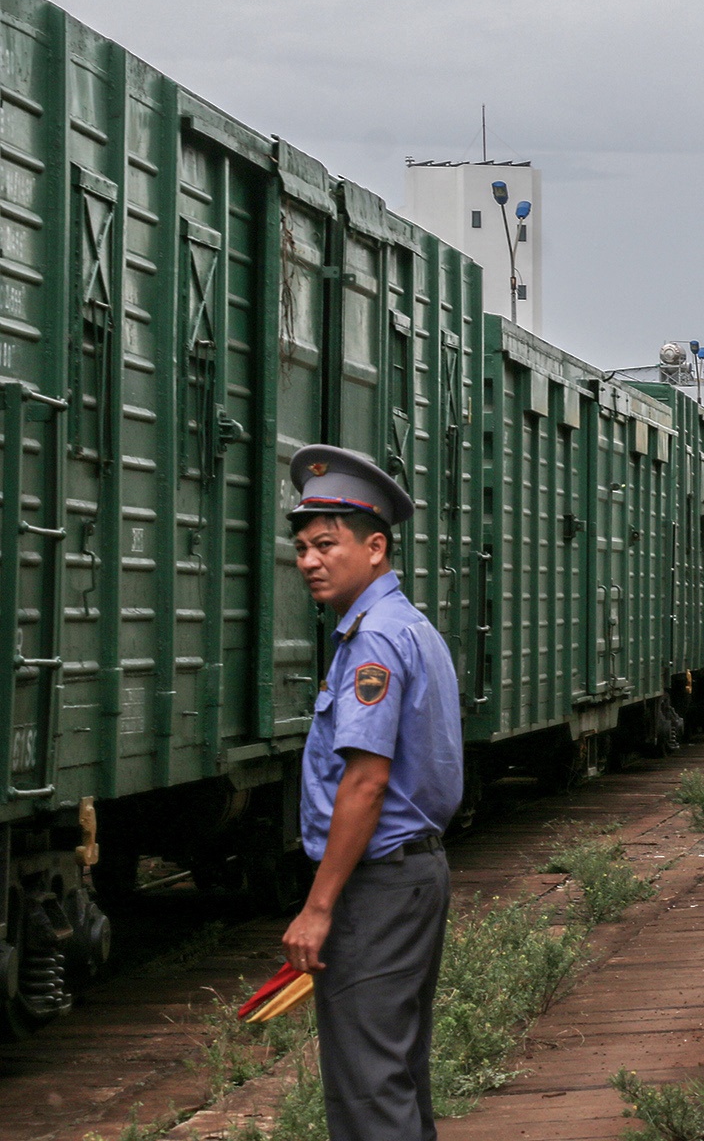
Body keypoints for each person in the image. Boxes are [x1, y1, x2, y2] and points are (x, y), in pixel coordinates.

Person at [281, 445, 463, 1141]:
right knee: (395, 1076)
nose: (309, 561)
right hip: (412, 876)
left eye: (327, 545)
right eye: (302, 548)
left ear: (376, 547)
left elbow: (365, 781)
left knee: (367, 1089)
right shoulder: (411, 627)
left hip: (377, 886)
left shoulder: (374, 641)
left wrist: (318, 907)